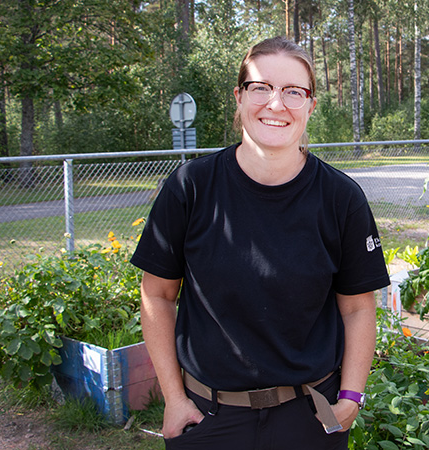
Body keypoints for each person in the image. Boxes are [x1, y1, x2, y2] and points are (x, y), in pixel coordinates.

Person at [130, 36, 390, 450]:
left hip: (310, 417)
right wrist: (175, 398)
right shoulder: (190, 188)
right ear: (239, 96)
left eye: (293, 91)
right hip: (209, 418)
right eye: (261, 87)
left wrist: (351, 397)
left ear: (311, 104)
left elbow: (358, 307)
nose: (276, 103)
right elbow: (156, 296)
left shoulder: (341, 199)